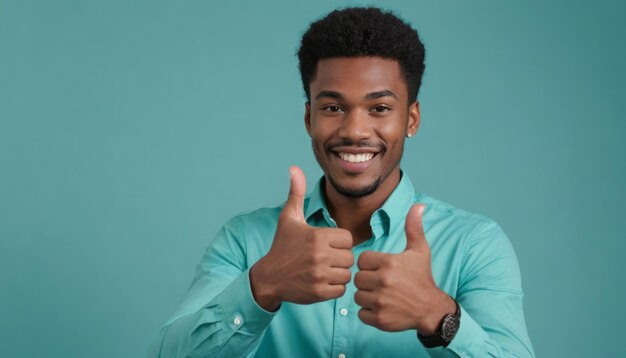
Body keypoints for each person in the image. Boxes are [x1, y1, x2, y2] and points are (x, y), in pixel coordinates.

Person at [147, 7, 534, 358]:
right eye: (333, 108)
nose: (354, 131)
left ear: (411, 120)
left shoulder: (475, 245)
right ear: (308, 119)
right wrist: (261, 286)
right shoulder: (245, 241)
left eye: (379, 108)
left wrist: (437, 315)